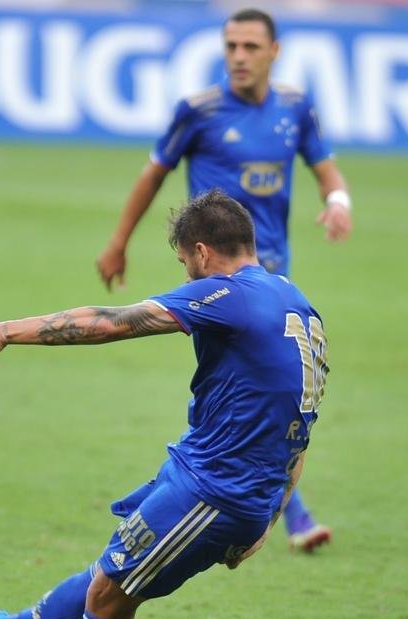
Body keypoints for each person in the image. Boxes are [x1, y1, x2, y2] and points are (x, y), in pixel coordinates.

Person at [0, 190, 328, 619]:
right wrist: (274, 512)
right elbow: (301, 420)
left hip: (217, 491)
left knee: (111, 596)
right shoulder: (296, 303)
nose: (187, 275)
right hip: (208, 470)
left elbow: (114, 321)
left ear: (202, 252)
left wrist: (5, 330)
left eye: (185, 262)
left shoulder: (227, 295)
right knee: (115, 568)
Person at [95, 8, 349, 552]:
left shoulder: (295, 108)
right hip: (216, 282)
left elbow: (326, 168)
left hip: (271, 279)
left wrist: (338, 202)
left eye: (250, 46)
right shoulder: (199, 111)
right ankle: (259, 507)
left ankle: (220, 498)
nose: (238, 56)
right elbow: (153, 174)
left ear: (274, 52)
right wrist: (118, 241)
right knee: (233, 392)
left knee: (260, 392)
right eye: (231, 45)